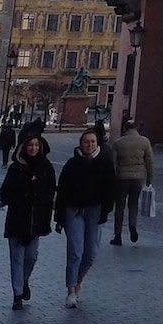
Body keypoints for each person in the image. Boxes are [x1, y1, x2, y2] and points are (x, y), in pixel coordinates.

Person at [54, 129, 115, 308]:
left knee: (91, 253)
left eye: (93, 142)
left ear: (97, 144)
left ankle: (79, 279)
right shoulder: (72, 164)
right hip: (74, 211)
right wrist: (59, 217)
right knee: (75, 251)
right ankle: (71, 291)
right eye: (86, 142)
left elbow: (110, 188)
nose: (89, 145)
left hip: (95, 211)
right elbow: (62, 190)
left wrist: (106, 210)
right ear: (80, 144)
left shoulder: (105, 162)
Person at [0, 133, 55, 310]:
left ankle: (24, 280)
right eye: (30, 145)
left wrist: (45, 208)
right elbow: (4, 194)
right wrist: (20, 196)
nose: (33, 148)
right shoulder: (16, 168)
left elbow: (50, 191)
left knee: (31, 256)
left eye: (36, 145)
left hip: (36, 220)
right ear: (23, 147)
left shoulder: (45, 167)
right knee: (16, 259)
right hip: (17, 219)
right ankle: (17, 295)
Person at [110, 119, 154, 246]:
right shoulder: (144, 142)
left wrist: (113, 178)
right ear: (136, 128)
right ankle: (132, 225)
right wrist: (149, 179)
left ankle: (118, 235)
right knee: (133, 203)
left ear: (125, 128)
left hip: (121, 177)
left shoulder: (118, 143)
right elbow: (150, 162)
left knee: (119, 206)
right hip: (138, 177)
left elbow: (113, 163)